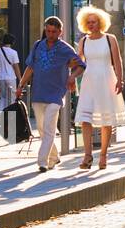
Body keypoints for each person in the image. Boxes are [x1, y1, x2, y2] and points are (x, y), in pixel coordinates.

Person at [16, 17, 86, 173]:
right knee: (42, 128)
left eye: (54, 32)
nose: (50, 34)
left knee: (49, 128)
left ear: (60, 32)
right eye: (48, 31)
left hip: (56, 94)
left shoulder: (65, 49)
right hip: (38, 93)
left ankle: (42, 161)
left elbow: (81, 65)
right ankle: (54, 156)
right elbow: (30, 67)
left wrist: (71, 77)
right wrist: (20, 85)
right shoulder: (38, 46)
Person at [74, 7, 125, 170]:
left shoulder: (110, 39)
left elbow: (117, 61)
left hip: (106, 78)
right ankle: (87, 155)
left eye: (94, 22)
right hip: (89, 80)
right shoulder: (83, 41)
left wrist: (120, 80)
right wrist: (72, 77)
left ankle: (103, 155)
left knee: (106, 118)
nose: (91, 25)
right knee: (85, 119)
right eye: (88, 22)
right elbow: (79, 63)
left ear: (101, 23)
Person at [0, 33, 22, 111]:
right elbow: (16, 67)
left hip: (0, 78)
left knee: (2, 98)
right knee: (12, 98)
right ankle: (10, 119)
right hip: (11, 78)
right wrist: (20, 79)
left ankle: (0, 116)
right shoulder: (13, 52)